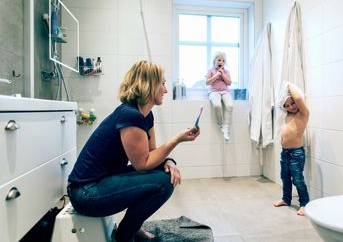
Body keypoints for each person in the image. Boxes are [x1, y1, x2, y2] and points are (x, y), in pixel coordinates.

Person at [67, 60, 201, 242]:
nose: (166, 90)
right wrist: (177, 139)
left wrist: (169, 162)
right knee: (164, 182)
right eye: (162, 83)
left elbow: (153, 153)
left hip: (102, 181)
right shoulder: (129, 115)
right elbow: (142, 164)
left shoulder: (146, 114)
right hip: (85, 193)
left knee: (163, 172)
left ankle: (132, 227)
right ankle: (125, 235)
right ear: (150, 84)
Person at [273, 82, 310, 216]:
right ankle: (286, 199)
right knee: (285, 177)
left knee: (298, 179)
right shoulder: (288, 115)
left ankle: (305, 204)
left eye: (292, 103)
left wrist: (288, 85)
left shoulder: (303, 114)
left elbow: (299, 99)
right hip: (285, 153)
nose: (291, 107)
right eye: (287, 105)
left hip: (296, 153)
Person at [206, 51, 233, 141]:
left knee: (230, 106)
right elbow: (207, 82)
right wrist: (216, 75)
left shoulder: (226, 72)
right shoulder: (210, 71)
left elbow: (229, 83)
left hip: (225, 91)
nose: (221, 62)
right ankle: (220, 124)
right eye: (219, 60)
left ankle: (226, 127)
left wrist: (223, 75)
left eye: (223, 61)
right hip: (214, 92)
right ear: (214, 61)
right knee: (217, 105)